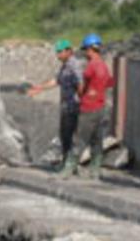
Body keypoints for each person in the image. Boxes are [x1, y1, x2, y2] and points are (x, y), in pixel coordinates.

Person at [59, 34, 113, 180]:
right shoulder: (103, 66)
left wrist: (81, 94)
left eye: (86, 50)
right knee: (97, 140)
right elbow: (109, 83)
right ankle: (95, 170)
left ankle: (68, 170)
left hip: (88, 107)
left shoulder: (91, 66)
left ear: (90, 49)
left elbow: (82, 85)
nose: (85, 53)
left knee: (79, 139)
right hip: (101, 108)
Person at [27, 39, 82, 166]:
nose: (58, 55)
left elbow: (80, 83)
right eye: (57, 52)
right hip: (66, 107)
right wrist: (39, 88)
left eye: (60, 52)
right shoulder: (65, 66)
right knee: (64, 135)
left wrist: (81, 101)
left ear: (68, 51)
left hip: (73, 107)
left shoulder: (75, 65)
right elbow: (57, 81)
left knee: (69, 135)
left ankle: (70, 164)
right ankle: (67, 162)